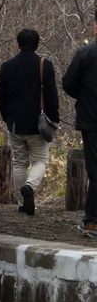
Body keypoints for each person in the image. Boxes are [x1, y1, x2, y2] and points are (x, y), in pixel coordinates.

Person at [0, 28, 59, 215]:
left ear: (18, 44)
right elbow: (51, 96)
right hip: (37, 125)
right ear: (37, 44)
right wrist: (53, 119)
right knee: (40, 160)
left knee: (19, 163)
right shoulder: (44, 65)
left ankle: (22, 203)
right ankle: (30, 187)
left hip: (15, 123)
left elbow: (1, 96)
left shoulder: (7, 66)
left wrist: (7, 118)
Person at [63, 16, 97, 237]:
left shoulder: (86, 54)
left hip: (92, 118)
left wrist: (84, 96)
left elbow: (68, 83)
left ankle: (92, 221)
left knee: (95, 170)